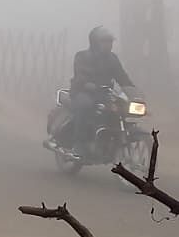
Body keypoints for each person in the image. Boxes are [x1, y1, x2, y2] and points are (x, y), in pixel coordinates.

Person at [54, 26, 134, 158]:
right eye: (104, 41)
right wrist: (88, 84)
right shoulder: (82, 56)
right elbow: (80, 75)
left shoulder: (112, 58)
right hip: (82, 92)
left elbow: (122, 76)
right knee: (85, 105)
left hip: (104, 93)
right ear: (95, 42)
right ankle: (79, 144)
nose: (108, 45)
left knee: (120, 107)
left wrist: (132, 91)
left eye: (110, 42)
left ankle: (108, 138)